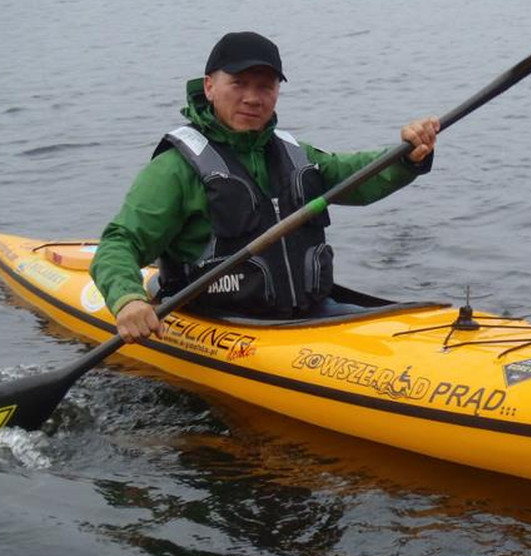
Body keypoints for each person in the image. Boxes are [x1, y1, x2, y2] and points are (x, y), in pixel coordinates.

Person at [90, 31, 439, 343]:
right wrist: (128, 300)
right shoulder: (175, 169)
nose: (253, 98)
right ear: (209, 86)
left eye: (265, 87)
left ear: (277, 93)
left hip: (308, 315)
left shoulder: (293, 154)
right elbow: (120, 243)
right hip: (222, 323)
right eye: (239, 83)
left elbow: (358, 174)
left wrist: (409, 154)